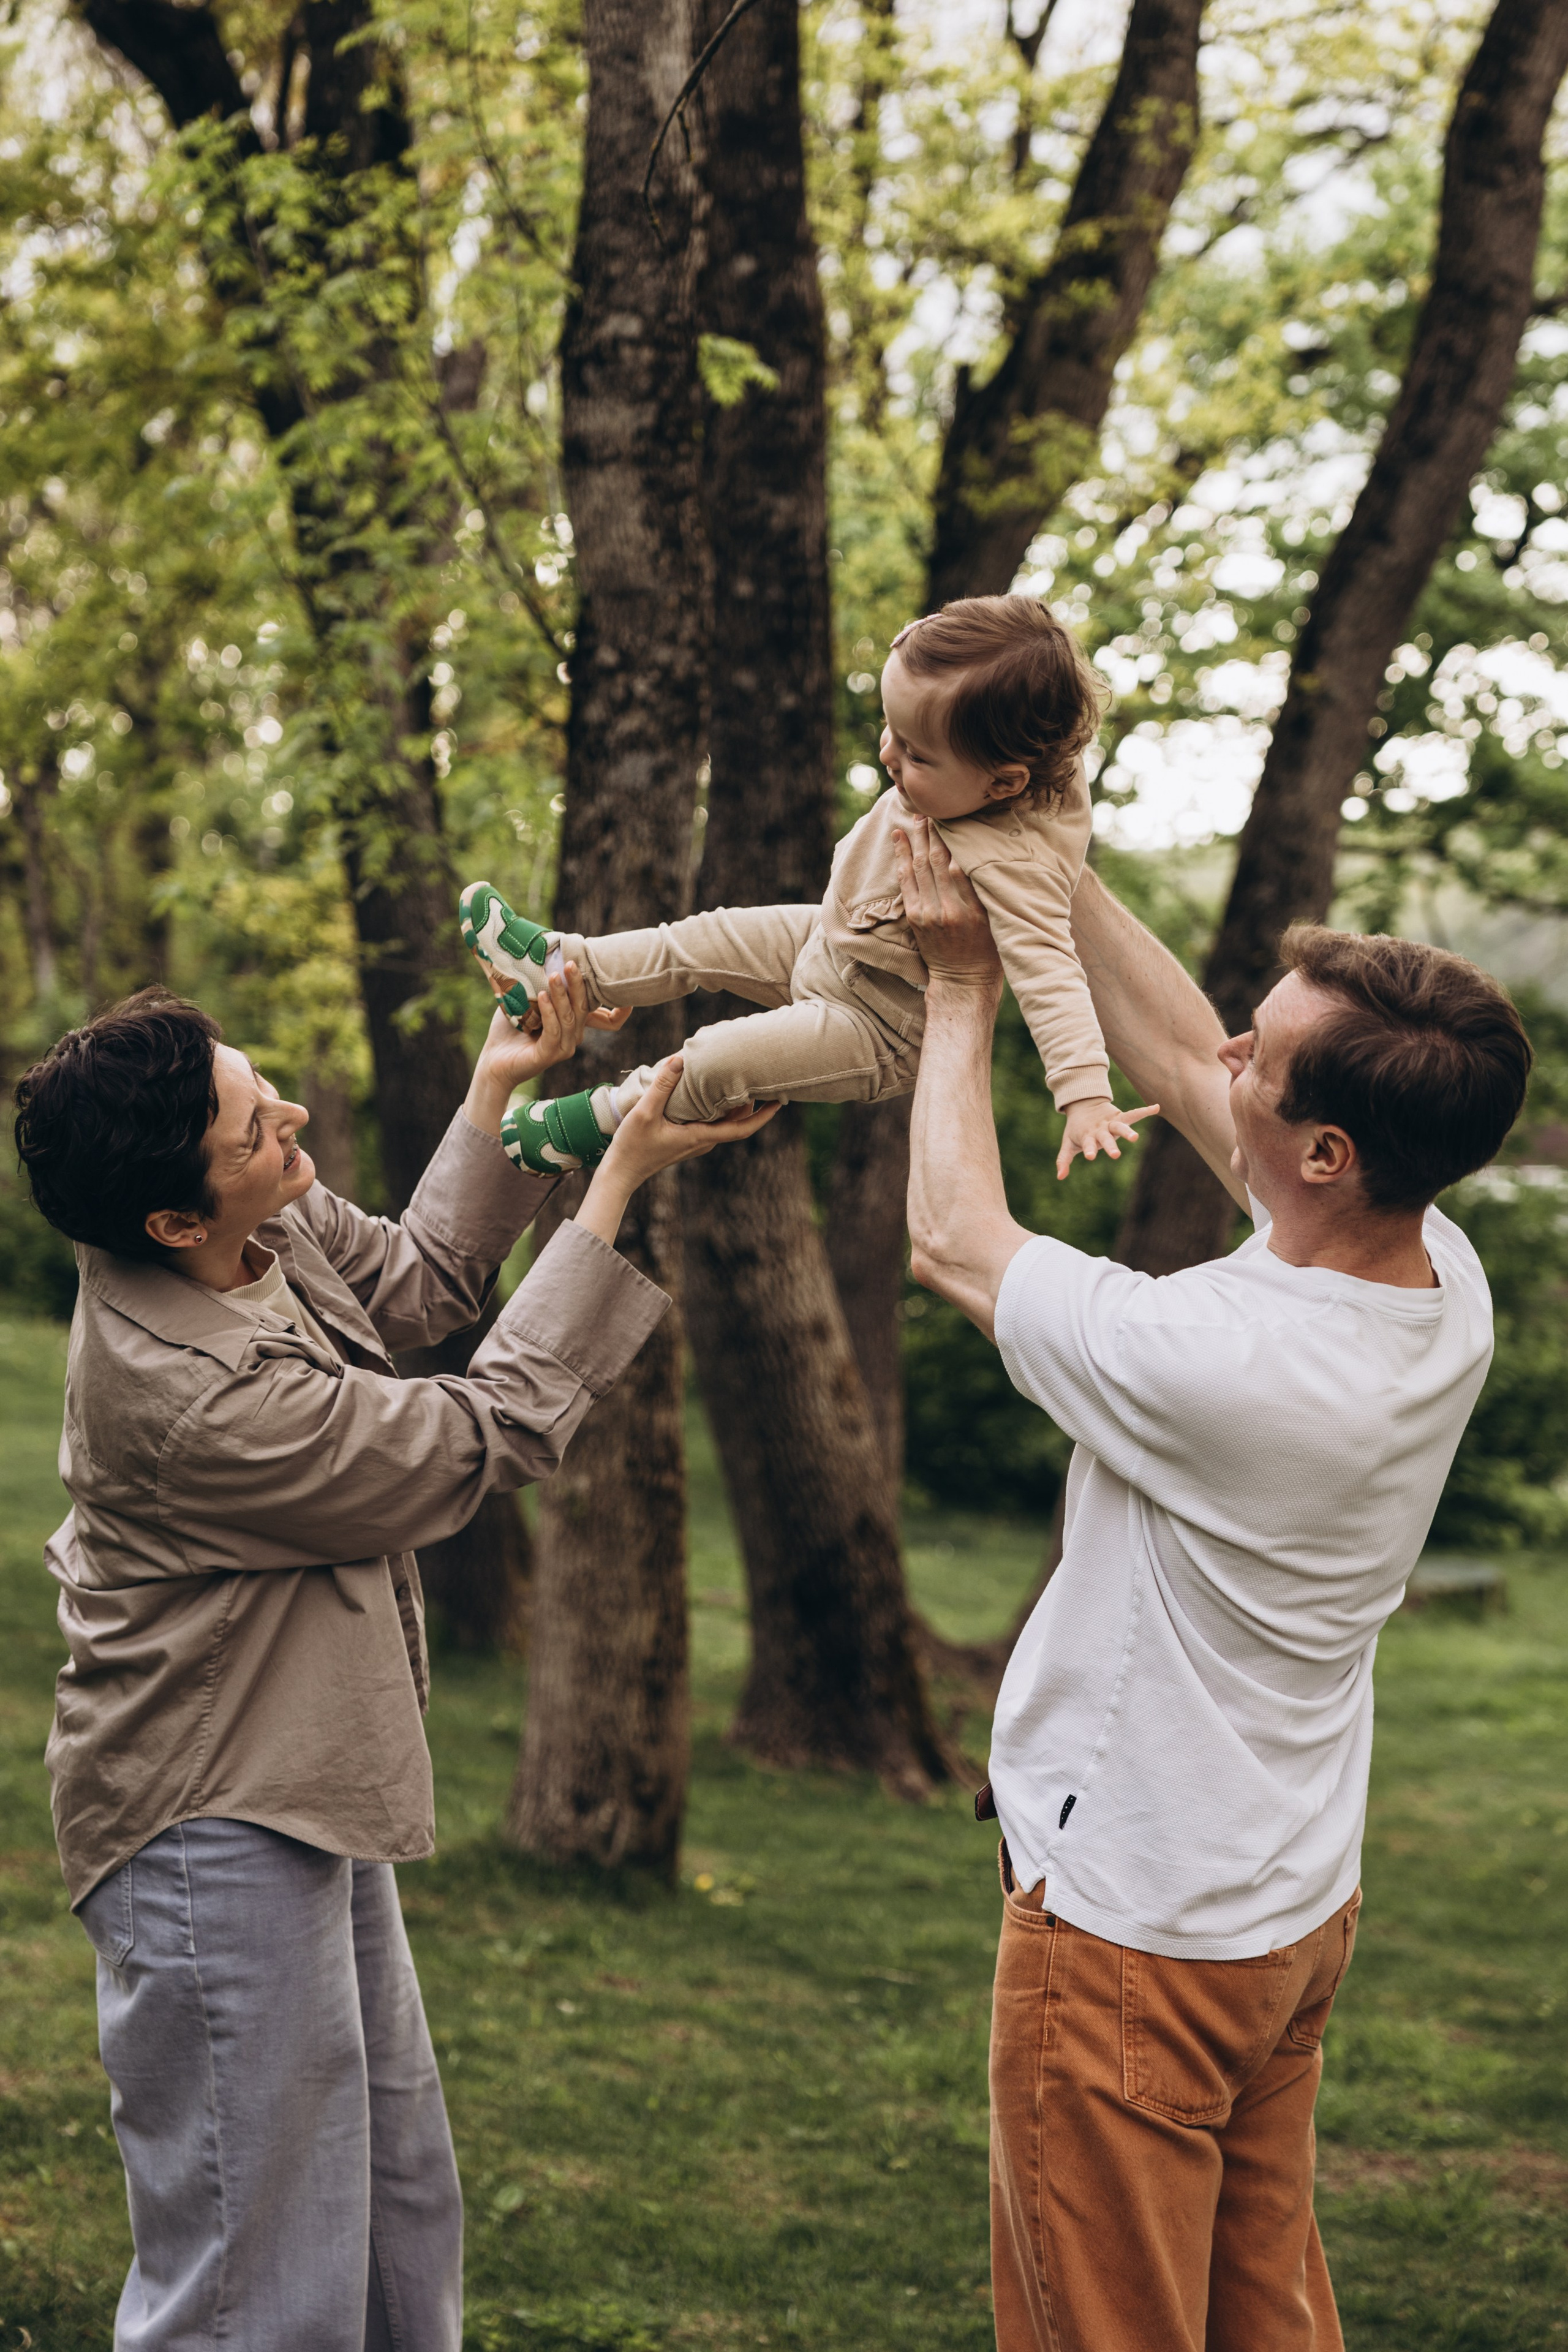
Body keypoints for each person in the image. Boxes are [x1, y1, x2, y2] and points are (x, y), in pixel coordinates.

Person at [12, 968, 774, 2352]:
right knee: (254, 2263)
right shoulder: (193, 1400)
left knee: (387, 2190)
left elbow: (415, 1281)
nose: (289, 1121)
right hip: (209, 1816)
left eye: (261, 1089)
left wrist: (501, 1089)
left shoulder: (238, 1218)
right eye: (258, 1130)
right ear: (174, 1216)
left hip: (301, 1778)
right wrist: (610, 1183)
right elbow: (486, 1435)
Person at [892, 820, 1531, 2352]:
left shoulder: (1220, 1359)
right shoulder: (1431, 1270)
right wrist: (1054, 869)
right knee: (1263, 2315)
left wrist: (963, 989)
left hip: (1136, 1934)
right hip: (1284, 1905)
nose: (1229, 1048)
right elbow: (1191, 1059)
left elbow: (950, 1237)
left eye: (1270, 1052)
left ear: (1323, 1153)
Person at [459, 595, 1153, 1182]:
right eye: (892, 728)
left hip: (877, 1023)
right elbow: (1005, 661)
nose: (887, 753)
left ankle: (597, 1121)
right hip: (833, 935)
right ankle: (560, 965)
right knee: (701, 936)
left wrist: (1085, 1096)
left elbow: (1050, 972)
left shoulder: (1018, 863)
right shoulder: (1000, 742)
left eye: (915, 754)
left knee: (719, 1058)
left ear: (1004, 784)